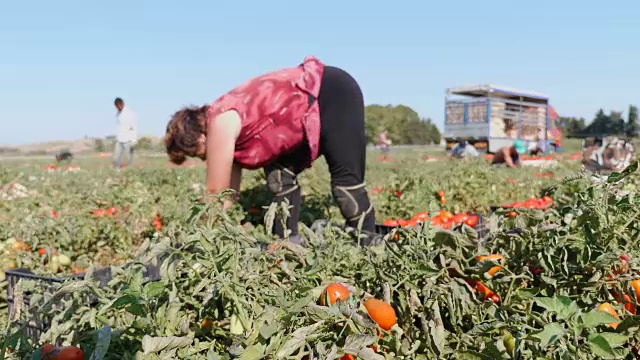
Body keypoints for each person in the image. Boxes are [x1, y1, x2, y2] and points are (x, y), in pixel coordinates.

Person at [164, 56, 379, 246]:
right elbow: (228, 197)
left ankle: (368, 244)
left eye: (196, 152)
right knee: (279, 178)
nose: (202, 158)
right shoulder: (227, 131)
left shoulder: (220, 121)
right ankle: (288, 244)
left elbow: (216, 195)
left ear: (199, 137)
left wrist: (202, 242)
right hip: (302, 116)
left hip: (332, 93)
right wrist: (226, 234)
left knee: (346, 186)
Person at [114, 97, 138, 168]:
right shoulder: (118, 114)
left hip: (128, 140)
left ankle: (131, 170)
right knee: (116, 157)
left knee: (128, 158)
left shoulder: (130, 113)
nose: (117, 108)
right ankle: (117, 170)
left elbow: (134, 127)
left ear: (121, 104)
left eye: (117, 106)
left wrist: (133, 140)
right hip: (119, 139)